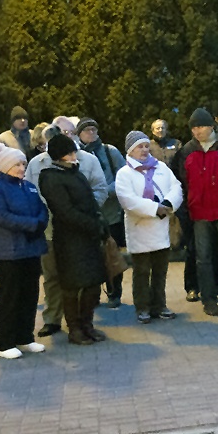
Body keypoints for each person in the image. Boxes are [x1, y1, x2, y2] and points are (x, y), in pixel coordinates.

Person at [25, 119, 108, 338]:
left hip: (85, 234)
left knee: (90, 282)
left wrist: (94, 218)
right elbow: (63, 209)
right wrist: (91, 222)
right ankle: (66, 325)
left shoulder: (80, 168)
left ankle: (86, 325)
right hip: (62, 235)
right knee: (63, 281)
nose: (74, 155)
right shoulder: (46, 172)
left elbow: (96, 191)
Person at [173, 108, 218, 317]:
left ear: (212, 126)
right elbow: (180, 182)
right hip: (199, 212)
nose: (197, 131)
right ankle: (209, 300)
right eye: (193, 128)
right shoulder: (186, 151)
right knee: (202, 257)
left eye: (201, 126)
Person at [0, 143, 48, 359]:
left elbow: (42, 209)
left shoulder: (29, 187)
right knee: (10, 297)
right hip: (10, 252)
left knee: (29, 296)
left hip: (31, 249)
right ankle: (6, 342)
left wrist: (40, 222)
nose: (22, 167)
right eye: (17, 164)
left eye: (23, 163)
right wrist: (32, 224)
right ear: (5, 166)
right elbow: (0, 217)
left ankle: (25, 337)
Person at [116, 131, 184, 324]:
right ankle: (142, 307)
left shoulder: (161, 167)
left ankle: (159, 305)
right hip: (140, 229)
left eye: (146, 146)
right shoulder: (124, 173)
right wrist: (156, 208)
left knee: (160, 271)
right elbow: (128, 200)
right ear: (130, 150)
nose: (145, 150)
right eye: (140, 146)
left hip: (161, 228)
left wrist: (169, 204)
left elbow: (176, 186)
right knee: (142, 272)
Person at [76, 117, 127, 306]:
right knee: (91, 256)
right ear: (79, 134)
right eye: (87, 130)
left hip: (111, 212)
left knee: (112, 253)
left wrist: (105, 191)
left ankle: (115, 292)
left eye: (94, 129)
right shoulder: (75, 154)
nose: (91, 133)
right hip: (88, 213)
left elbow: (123, 175)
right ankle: (93, 294)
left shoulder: (109, 151)